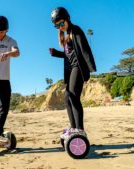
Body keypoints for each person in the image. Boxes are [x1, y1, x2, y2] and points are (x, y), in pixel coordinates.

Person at [49, 7, 97, 138]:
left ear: (67, 19)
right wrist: (56, 53)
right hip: (70, 69)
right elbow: (68, 55)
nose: (60, 26)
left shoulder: (75, 30)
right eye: (57, 25)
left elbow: (84, 49)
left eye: (61, 23)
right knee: (67, 96)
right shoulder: (65, 37)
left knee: (73, 95)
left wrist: (90, 68)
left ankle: (79, 129)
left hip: (79, 67)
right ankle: (73, 127)